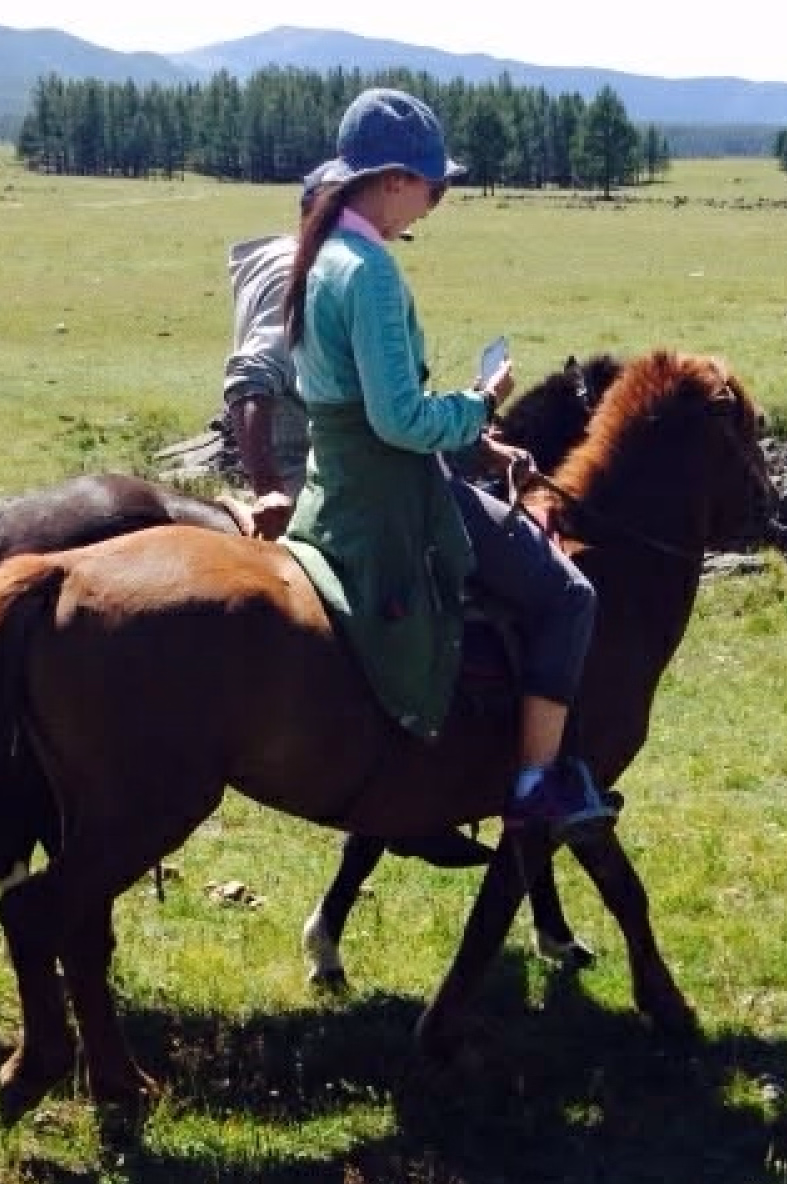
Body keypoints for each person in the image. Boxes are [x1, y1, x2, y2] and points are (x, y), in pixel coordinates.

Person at [284, 86, 614, 838]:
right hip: (394, 496)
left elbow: (363, 406)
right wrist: (483, 402)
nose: (436, 201)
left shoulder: (323, 249)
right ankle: (533, 783)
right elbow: (399, 420)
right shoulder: (368, 271)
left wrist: (473, 443)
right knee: (570, 596)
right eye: (434, 186)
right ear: (394, 179)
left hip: (331, 488)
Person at [221, 174, 318, 532]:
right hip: (303, 476)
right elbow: (251, 376)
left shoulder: (281, 261)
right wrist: (269, 487)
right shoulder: (298, 278)